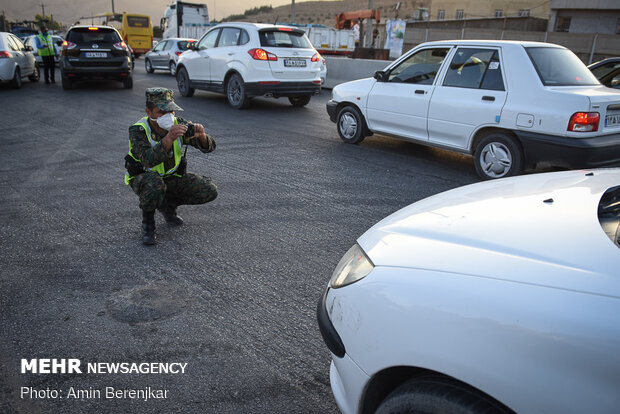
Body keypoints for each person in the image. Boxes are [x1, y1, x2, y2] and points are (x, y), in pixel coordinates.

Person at [124, 87, 218, 245]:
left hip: (171, 177)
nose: (168, 116)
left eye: (171, 111)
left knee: (208, 190)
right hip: (144, 178)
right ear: (149, 112)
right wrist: (169, 138)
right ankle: (148, 225)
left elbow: (208, 147)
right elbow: (148, 160)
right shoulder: (138, 130)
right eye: (162, 112)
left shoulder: (178, 123)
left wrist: (202, 137)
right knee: (154, 184)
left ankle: (168, 206)